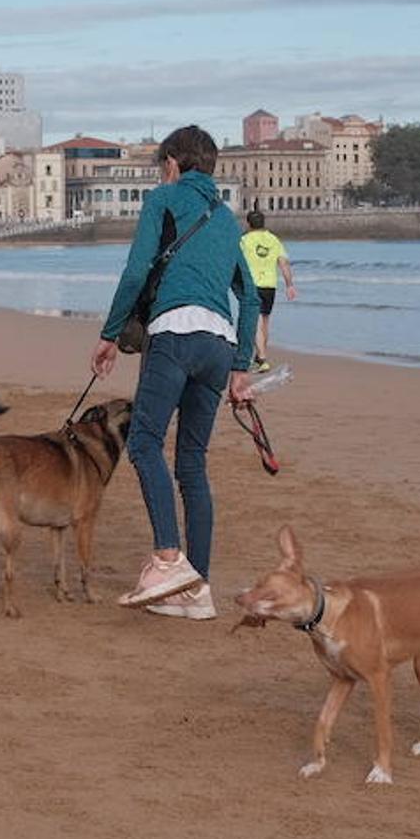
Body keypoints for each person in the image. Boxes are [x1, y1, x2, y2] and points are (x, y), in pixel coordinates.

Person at [90, 125, 260, 621]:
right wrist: (241, 366)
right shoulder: (228, 220)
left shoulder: (163, 199)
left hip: (176, 333)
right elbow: (248, 297)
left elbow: (138, 269)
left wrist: (109, 333)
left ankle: (168, 559)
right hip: (219, 344)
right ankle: (197, 590)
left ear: (171, 164)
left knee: (143, 443)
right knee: (192, 465)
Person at [239, 210, 296, 372]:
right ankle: (260, 357)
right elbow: (284, 263)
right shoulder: (273, 240)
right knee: (264, 322)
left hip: (253, 284)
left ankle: (262, 359)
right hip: (270, 286)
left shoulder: (244, 240)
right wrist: (290, 285)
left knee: (255, 322)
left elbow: (236, 261)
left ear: (248, 224)